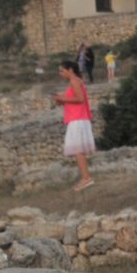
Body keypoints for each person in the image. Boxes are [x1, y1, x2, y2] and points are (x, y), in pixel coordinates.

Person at [54, 60, 95, 191]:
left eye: (62, 70)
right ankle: (85, 177)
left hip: (77, 119)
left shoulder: (75, 81)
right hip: (76, 118)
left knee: (78, 150)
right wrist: (60, 100)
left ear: (70, 70)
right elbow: (72, 100)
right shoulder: (75, 82)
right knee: (79, 151)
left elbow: (80, 99)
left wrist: (63, 99)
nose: (60, 74)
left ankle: (86, 178)